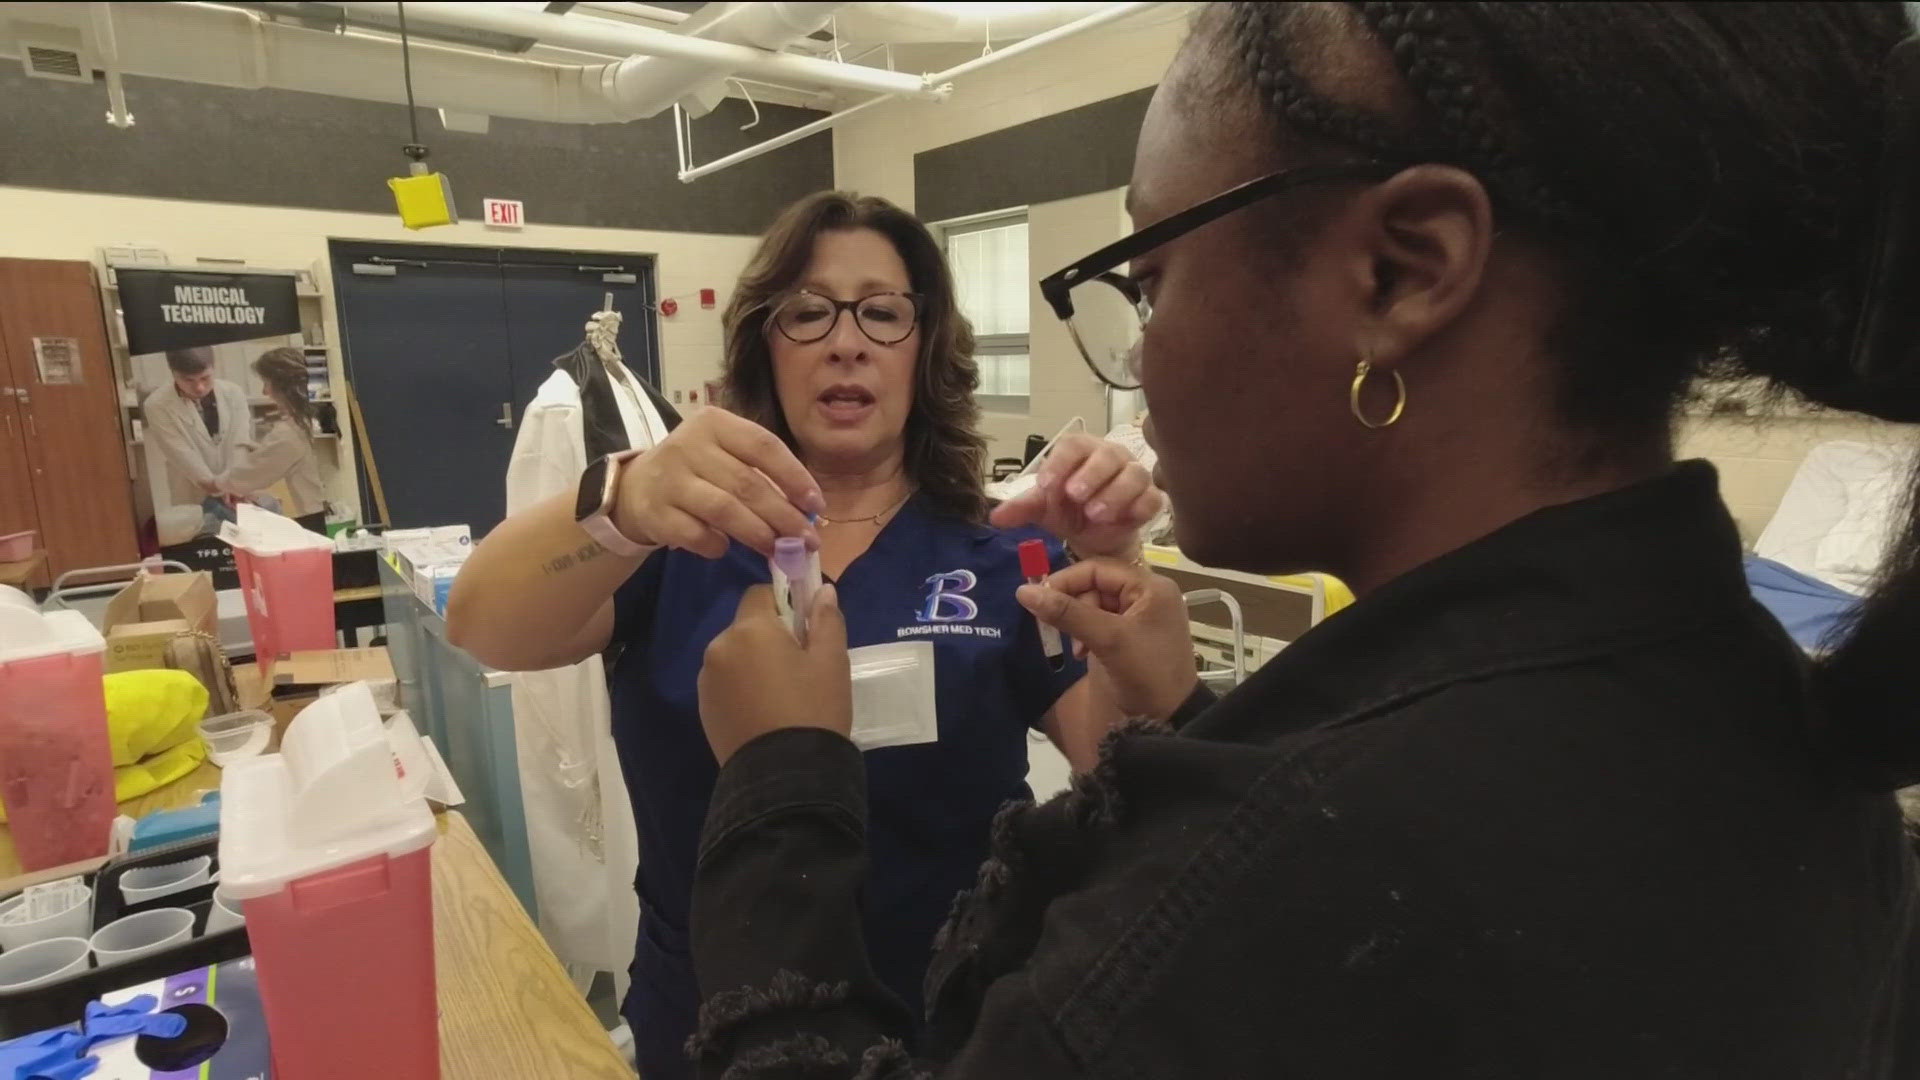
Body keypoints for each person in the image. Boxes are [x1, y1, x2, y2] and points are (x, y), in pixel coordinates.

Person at [682, 3, 1920, 1077]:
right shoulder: (1788, 728)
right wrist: (1192, 713)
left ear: (1401, 270)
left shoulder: (1274, 884)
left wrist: (783, 778)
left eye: (1153, 275)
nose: (1141, 353)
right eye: (810, 315)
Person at [446, 191, 1161, 1077]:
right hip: (719, 1028)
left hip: (957, 1029)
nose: (846, 340)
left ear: (924, 346)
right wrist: (622, 500)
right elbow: (483, 625)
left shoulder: (1004, 550)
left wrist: (1121, 570)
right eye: (808, 312)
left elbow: (1122, 764)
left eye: (884, 312)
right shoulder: (675, 543)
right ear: (765, 344)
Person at [216, 347, 327, 531]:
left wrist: (218, 485)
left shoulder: (290, 432)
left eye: (266, 383)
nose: (265, 391)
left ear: (281, 385)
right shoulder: (308, 420)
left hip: (313, 522)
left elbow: (251, 472)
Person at [142, 346, 249, 534]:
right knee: (200, 541)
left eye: (205, 378)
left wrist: (234, 483)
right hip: (192, 490)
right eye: (188, 380)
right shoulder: (156, 405)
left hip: (235, 489)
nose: (199, 387)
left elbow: (240, 443)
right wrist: (219, 486)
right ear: (173, 373)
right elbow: (182, 454)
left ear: (213, 368)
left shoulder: (234, 393)